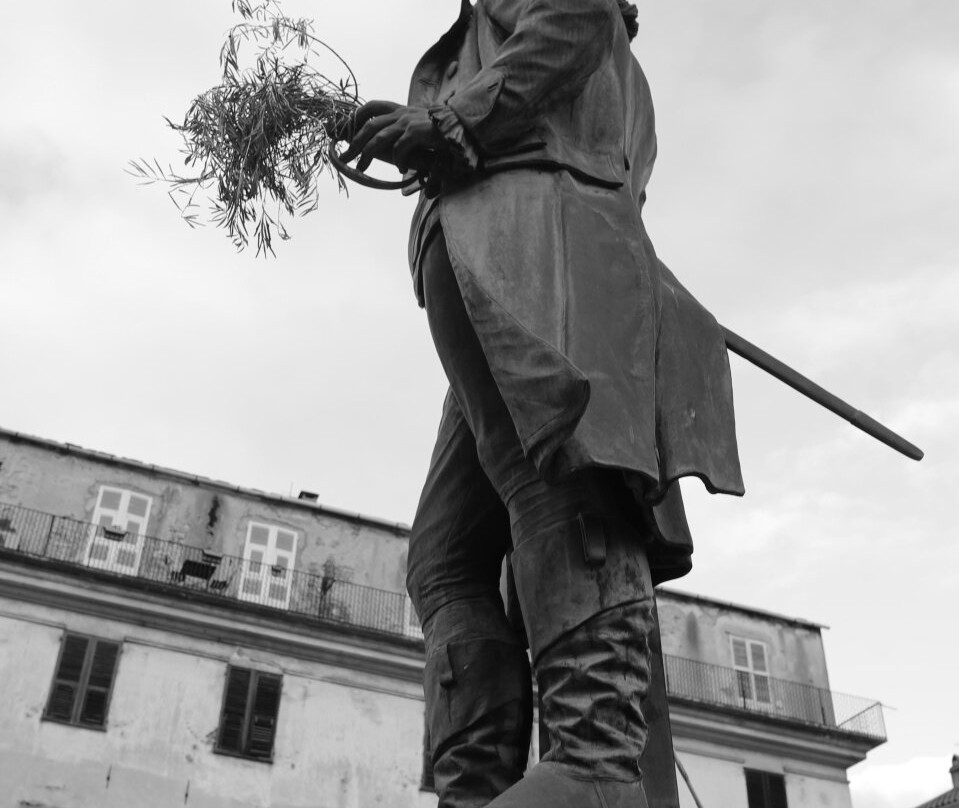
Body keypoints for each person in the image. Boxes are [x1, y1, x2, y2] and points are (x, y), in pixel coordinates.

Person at [341, 1, 743, 807]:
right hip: (490, 252)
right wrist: (435, 123)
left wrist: (449, 119)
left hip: (540, 245)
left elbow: (575, 12)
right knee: (446, 558)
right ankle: (475, 788)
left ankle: (592, 762)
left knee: (558, 476)